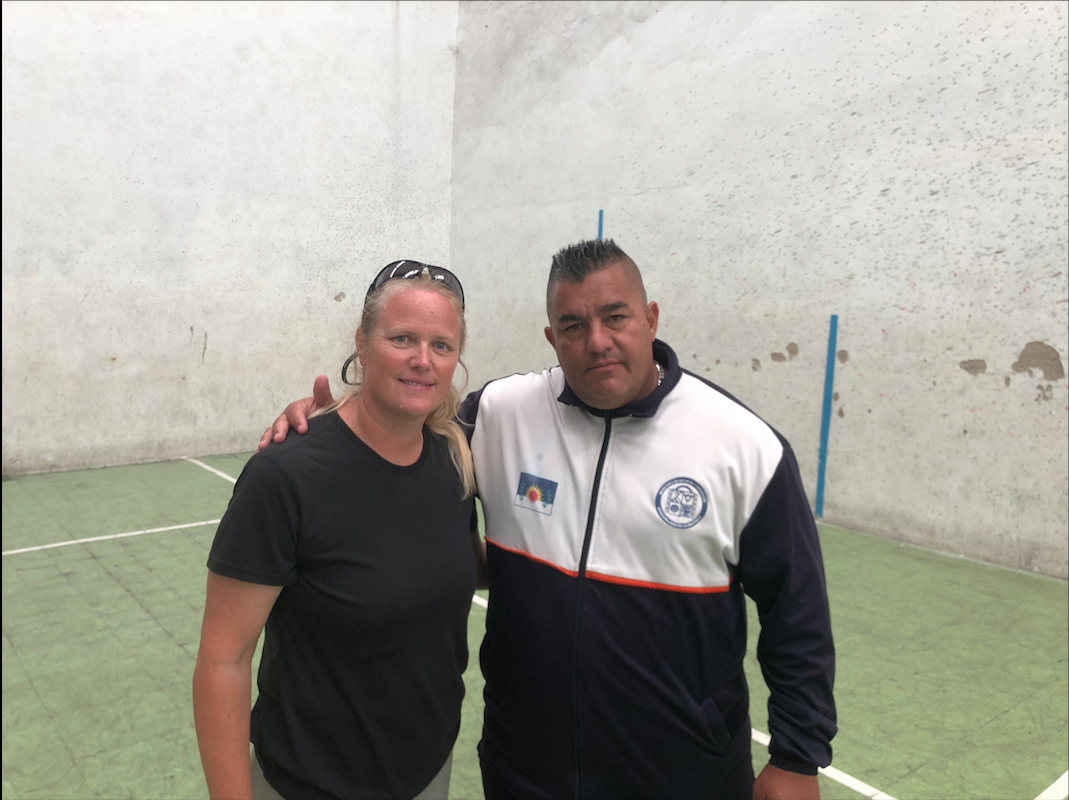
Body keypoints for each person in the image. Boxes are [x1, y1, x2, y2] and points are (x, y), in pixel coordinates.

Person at [263, 240, 837, 800]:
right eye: (573, 325)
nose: (597, 341)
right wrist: (329, 423)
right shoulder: (499, 414)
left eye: (616, 317)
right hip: (524, 768)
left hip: (685, 775)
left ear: (651, 318)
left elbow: (797, 612)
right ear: (551, 337)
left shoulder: (745, 447)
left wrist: (796, 757)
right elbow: (399, 427)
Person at [194, 261, 480, 800]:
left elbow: (463, 568)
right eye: (402, 338)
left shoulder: (453, 461)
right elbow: (222, 662)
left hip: (426, 773)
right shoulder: (285, 475)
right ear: (362, 343)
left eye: (441, 345)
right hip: (309, 785)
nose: (423, 360)